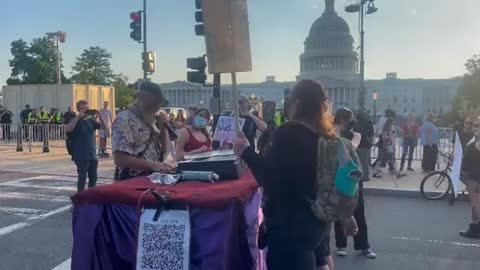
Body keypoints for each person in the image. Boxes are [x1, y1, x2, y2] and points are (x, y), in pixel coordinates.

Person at [233, 80, 358, 270]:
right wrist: (347, 215)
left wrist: (246, 152)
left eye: (289, 99)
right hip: (316, 223)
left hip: (288, 226)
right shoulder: (324, 135)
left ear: (297, 103)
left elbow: (270, 178)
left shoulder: (287, 133)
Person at [333, 108, 376, 259]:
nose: (352, 121)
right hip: (339, 176)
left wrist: (338, 135)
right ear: (343, 119)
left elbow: (352, 146)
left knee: (358, 211)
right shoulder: (333, 132)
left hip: (353, 177)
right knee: (340, 211)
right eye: (349, 118)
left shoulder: (355, 134)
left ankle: (363, 245)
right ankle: (341, 244)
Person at [112, 81, 174, 181]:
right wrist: (152, 165)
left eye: (159, 104)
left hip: (151, 178)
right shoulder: (125, 119)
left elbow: (163, 149)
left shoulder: (148, 118)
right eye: (154, 103)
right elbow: (120, 159)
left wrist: (163, 127)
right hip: (131, 181)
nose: (157, 107)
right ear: (142, 98)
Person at [66, 100, 101, 192]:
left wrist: (101, 117)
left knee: (93, 178)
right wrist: (78, 116)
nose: (86, 110)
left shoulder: (90, 121)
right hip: (80, 154)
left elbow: (107, 132)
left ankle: (91, 197)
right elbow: (68, 129)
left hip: (92, 154)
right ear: (78, 110)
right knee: (82, 177)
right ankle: (80, 197)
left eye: (87, 108)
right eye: (83, 108)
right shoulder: (75, 120)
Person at [459, 116, 480, 239]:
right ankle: (475, 228)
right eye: (475, 125)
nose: (475, 127)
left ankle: (475, 230)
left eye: (478, 125)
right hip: (473, 178)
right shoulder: (475, 139)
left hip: (476, 179)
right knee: (475, 205)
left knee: (477, 205)